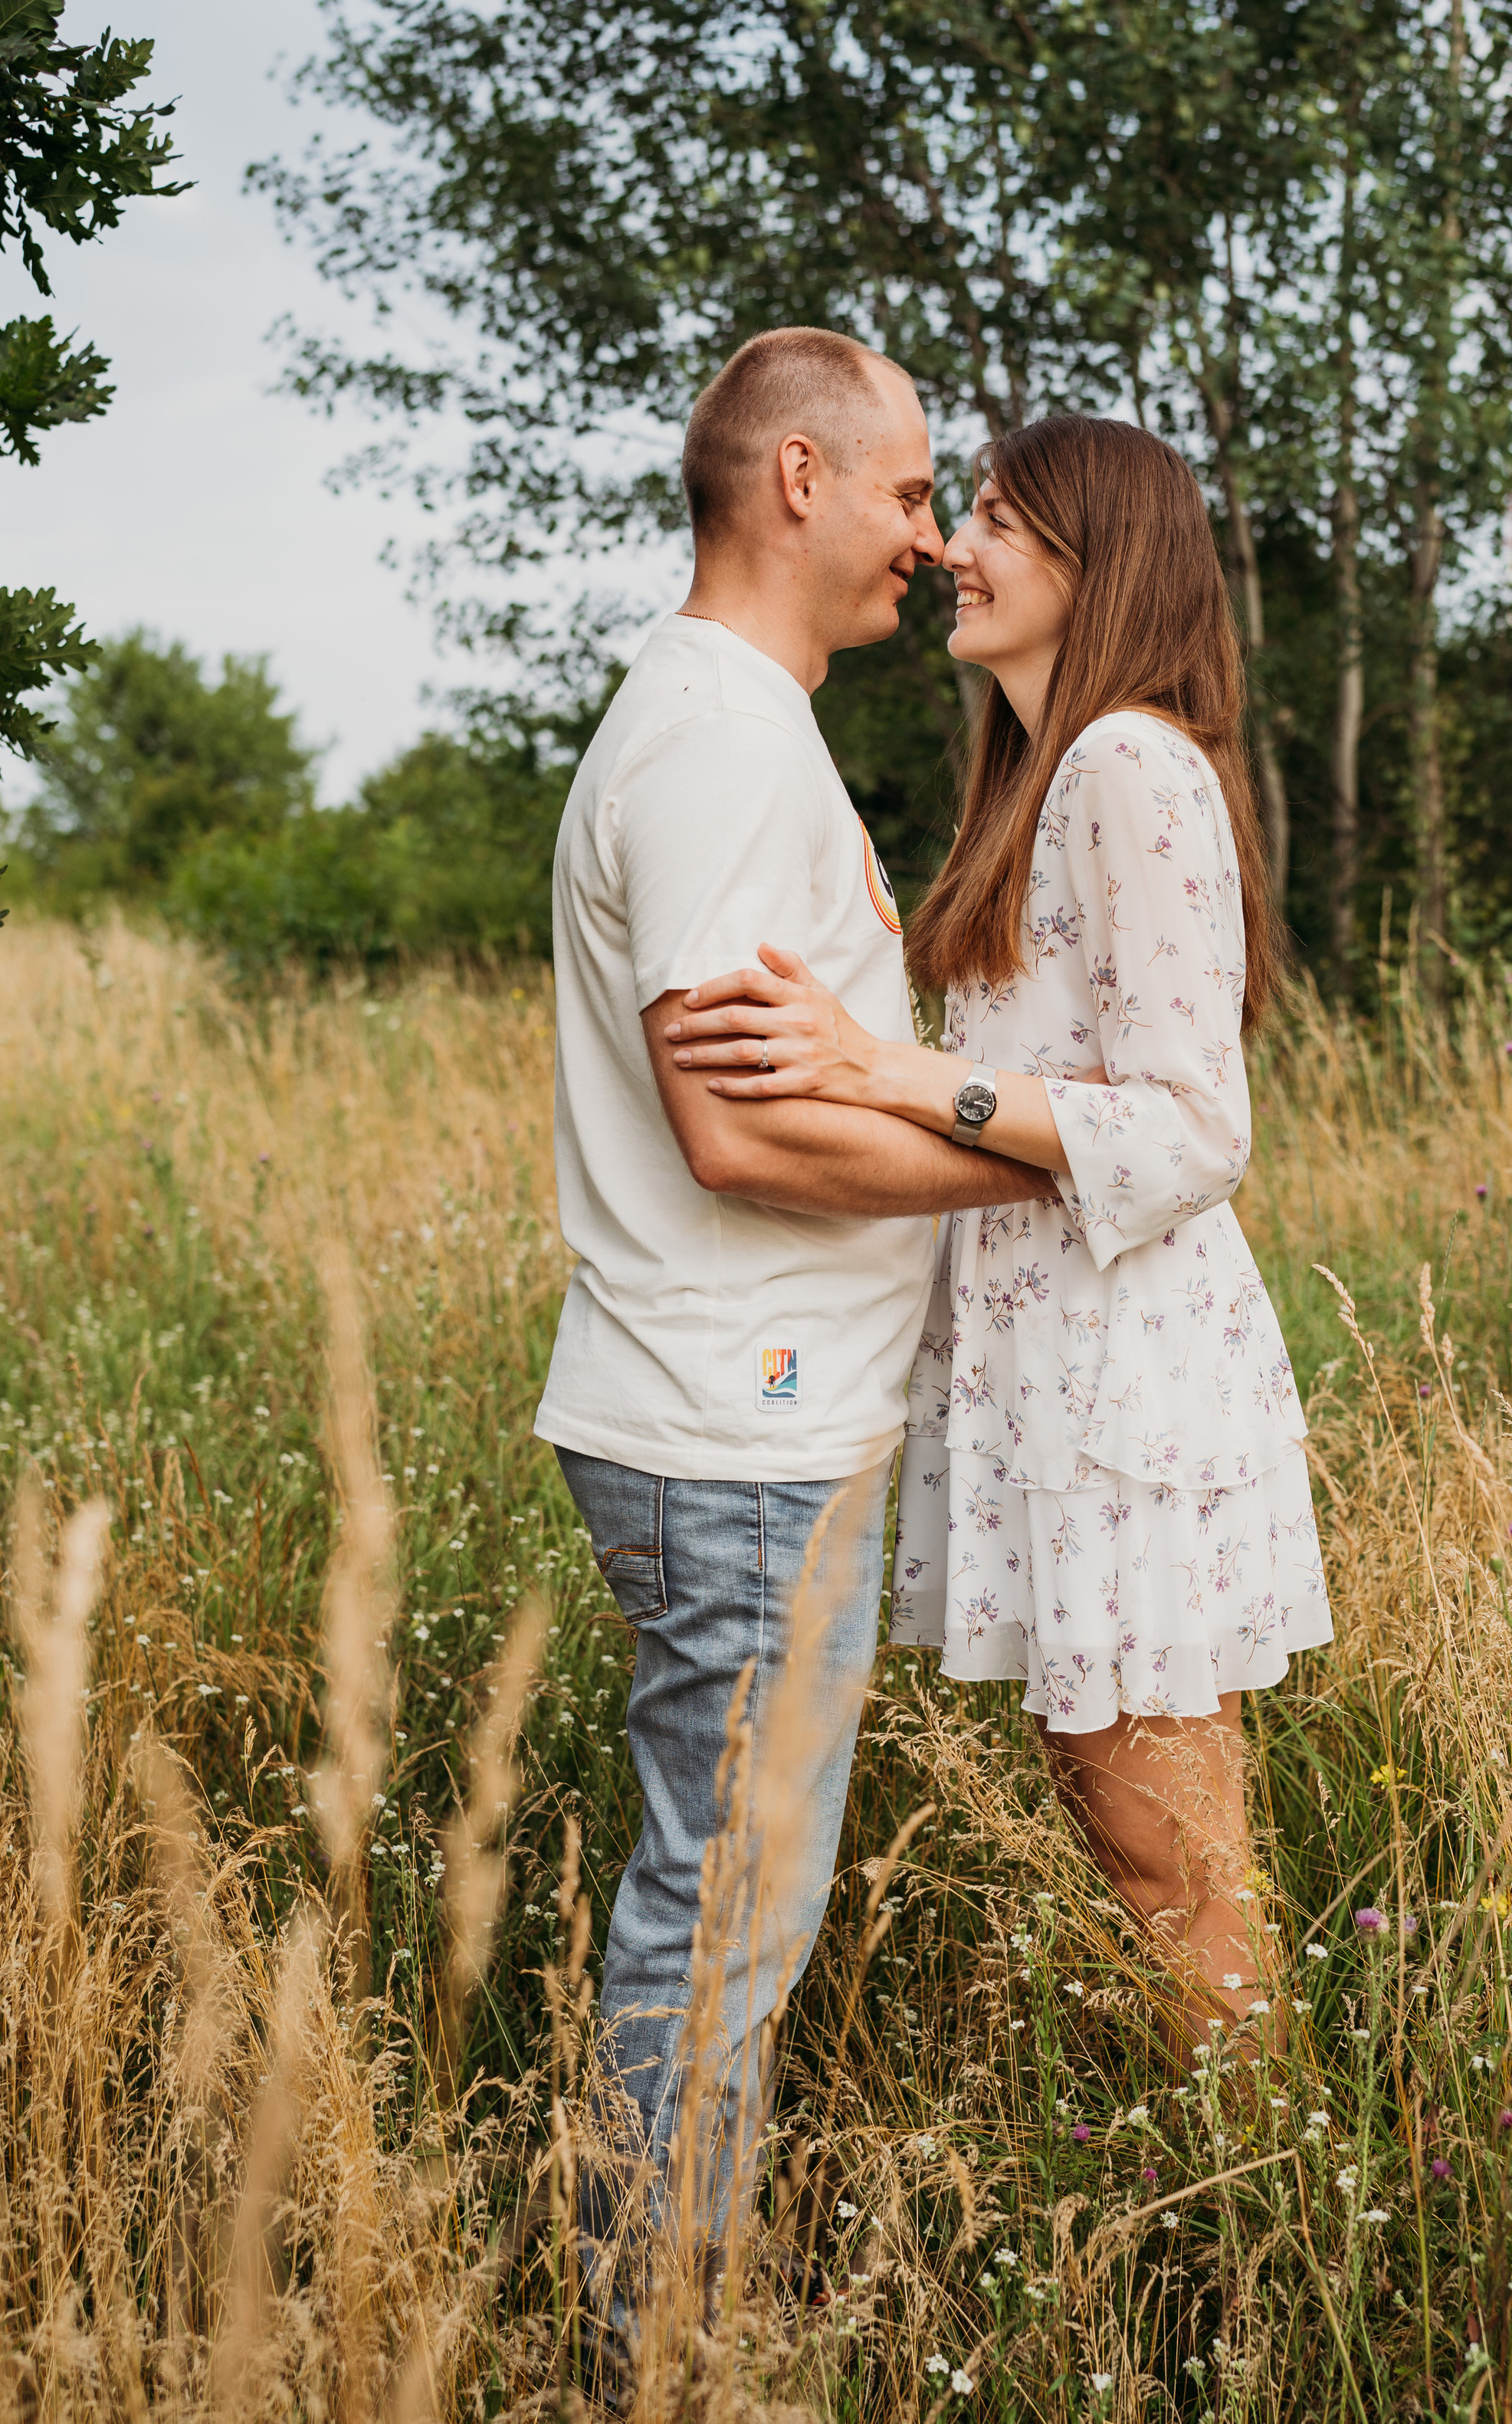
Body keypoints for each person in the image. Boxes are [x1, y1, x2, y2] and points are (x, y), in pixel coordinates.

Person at [664, 412, 1333, 2046]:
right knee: (1142, 1845)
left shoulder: (1126, 764)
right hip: (1053, 1391)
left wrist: (887, 1073)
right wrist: (890, 1056)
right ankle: (1270, 2177)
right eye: (956, 511)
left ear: (1096, 567)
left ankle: (1280, 2215)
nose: (953, 548)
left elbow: (1193, 1132)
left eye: (992, 520)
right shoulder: (1043, 774)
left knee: (1165, 1858)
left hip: (1126, 1400)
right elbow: (1038, 1080)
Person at [534, 328, 1050, 2300]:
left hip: (755, 1426)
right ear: (801, 482)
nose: (929, 539)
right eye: (913, 491)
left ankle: (641, 2332)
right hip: (732, 1435)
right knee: (721, 1925)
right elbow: (737, 1139)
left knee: (732, 1910)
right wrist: (1036, 1165)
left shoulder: (743, 727)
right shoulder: (714, 743)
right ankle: (637, 2377)